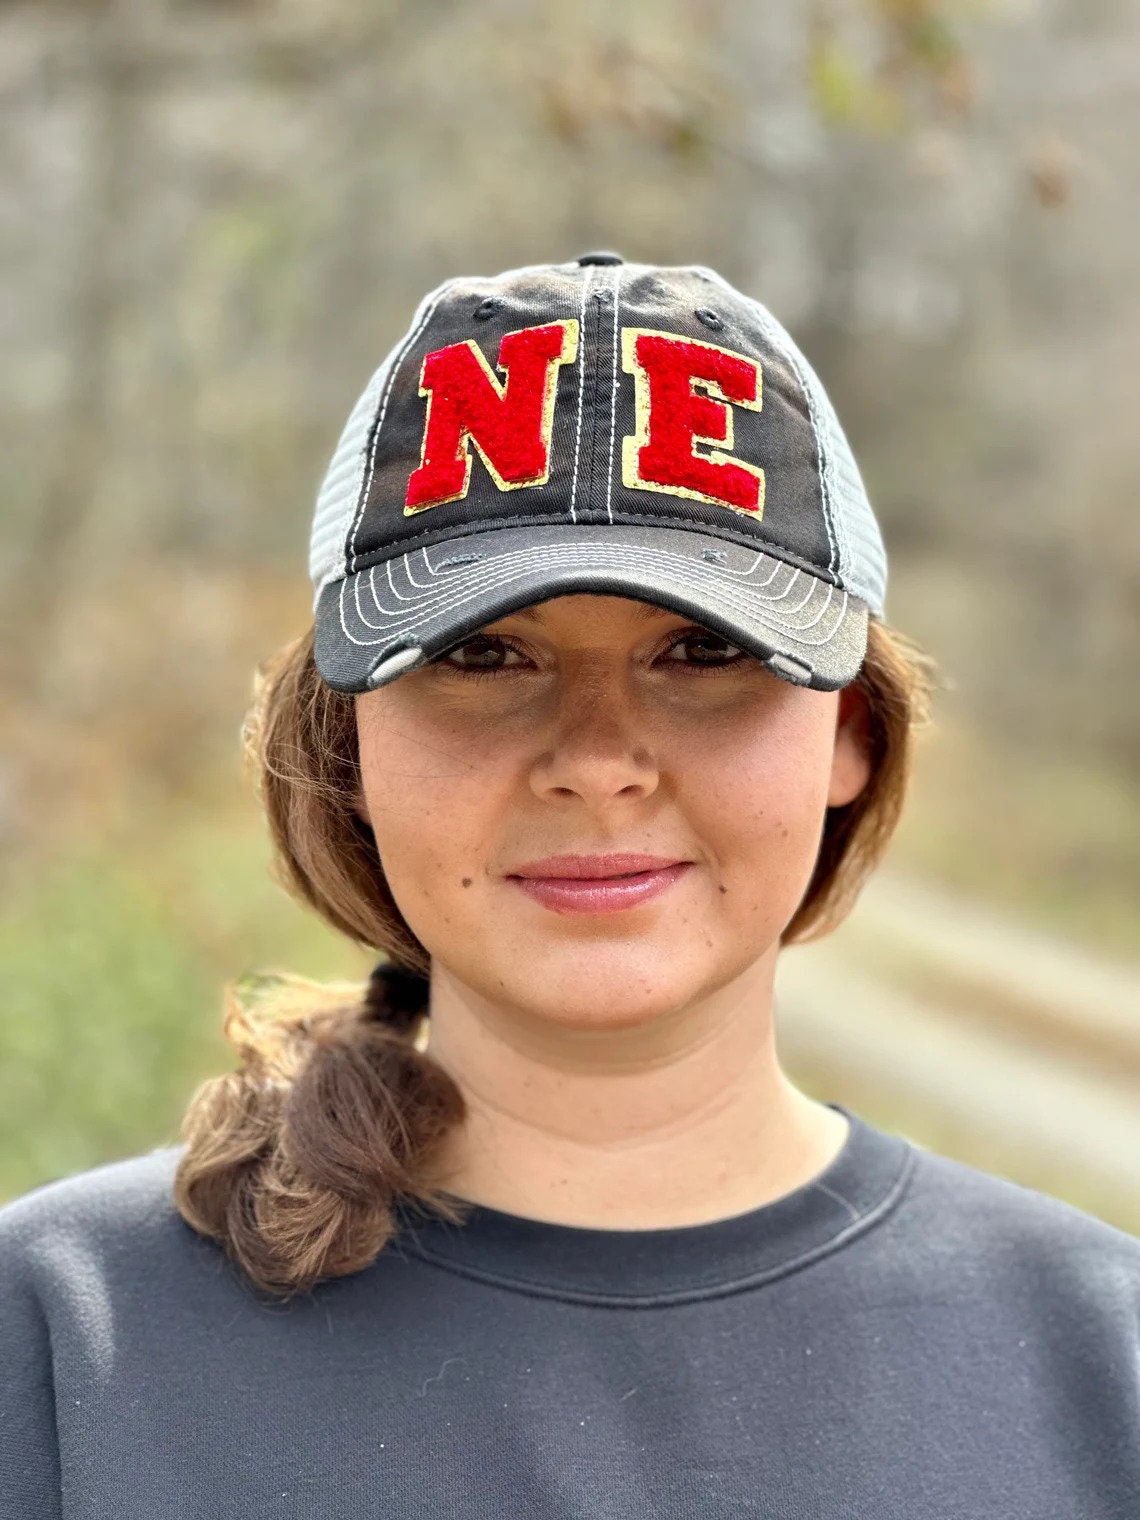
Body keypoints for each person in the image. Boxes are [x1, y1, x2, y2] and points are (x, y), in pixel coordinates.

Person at [1, 252, 1137, 1519]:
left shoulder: (1103, 1365)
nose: (598, 761)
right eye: (487, 653)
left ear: (852, 729)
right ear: (349, 742)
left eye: (703, 649)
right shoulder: (60, 1349)